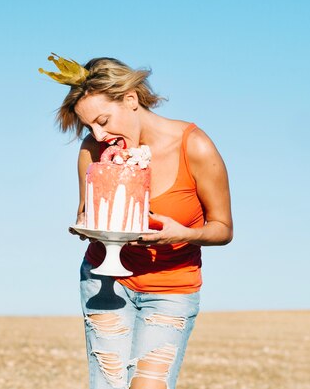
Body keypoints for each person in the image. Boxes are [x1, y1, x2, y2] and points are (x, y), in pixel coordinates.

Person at [40, 54, 233, 389]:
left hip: (170, 290)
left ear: (130, 99)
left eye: (103, 120)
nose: (98, 135)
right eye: (89, 127)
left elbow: (223, 228)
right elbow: (86, 212)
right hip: (106, 282)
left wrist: (183, 233)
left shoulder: (195, 146)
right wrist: (85, 223)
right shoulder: (93, 149)